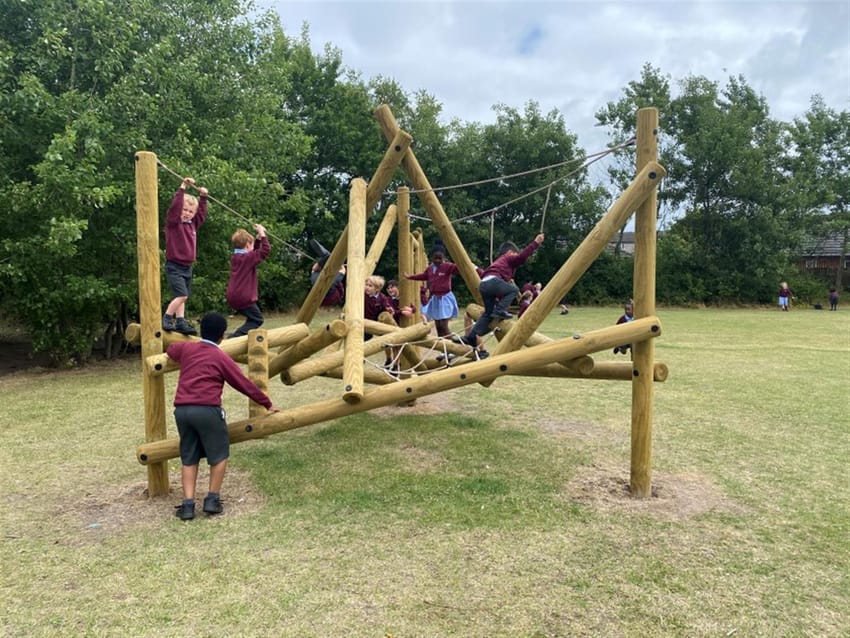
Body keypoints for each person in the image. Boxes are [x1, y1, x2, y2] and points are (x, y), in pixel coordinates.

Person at [167, 312, 277, 521]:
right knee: (219, 454)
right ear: (222, 336)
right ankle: (212, 500)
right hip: (207, 409)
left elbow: (171, 349)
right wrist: (267, 403)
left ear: (201, 332)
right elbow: (242, 384)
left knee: (188, 456)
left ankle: (188, 505)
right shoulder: (220, 357)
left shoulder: (187, 349)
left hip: (182, 410)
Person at [462, 233, 545, 355]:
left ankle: (471, 336)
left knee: (488, 314)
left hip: (484, 285)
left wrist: (475, 268)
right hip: (492, 282)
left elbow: (484, 274)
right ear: (510, 252)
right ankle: (499, 311)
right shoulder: (508, 257)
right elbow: (522, 257)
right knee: (513, 290)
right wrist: (536, 243)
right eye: (515, 254)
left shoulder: (497, 263)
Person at [163, 177, 208, 335]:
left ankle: (180, 321)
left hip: (187, 266)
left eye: (190, 212)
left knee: (183, 296)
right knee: (182, 295)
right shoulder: (174, 223)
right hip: (174, 265)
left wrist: (203, 198)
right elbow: (175, 208)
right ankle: (167, 318)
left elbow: (201, 215)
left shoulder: (192, 224)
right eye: (185, 210)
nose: (187, 214)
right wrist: (182, 187)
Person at [404, 246, 461, 338]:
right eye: (435, 258)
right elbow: (423, 276)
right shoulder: (430, 268)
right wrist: (410, 277)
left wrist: (462, 259)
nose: (438, 261)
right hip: (435, 298)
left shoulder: (448, 266)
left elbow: (459, 268)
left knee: (443, 325)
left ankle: (451, 343)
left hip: (445, 297)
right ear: (432, 258)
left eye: (440, 259)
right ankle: (442, 344)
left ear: (443, 258)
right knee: (438, 326)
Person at [225, 224, 270, 338]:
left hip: (233, 296)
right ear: (247, 245)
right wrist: (262, 234)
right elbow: (265, 250)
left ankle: (239, 336)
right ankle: (234, 337)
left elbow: (253, 252)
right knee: (257, 319)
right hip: (243, 297)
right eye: (252, 244)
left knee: (251, 319)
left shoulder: (236, 257)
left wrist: (258, 239)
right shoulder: (247, 258)